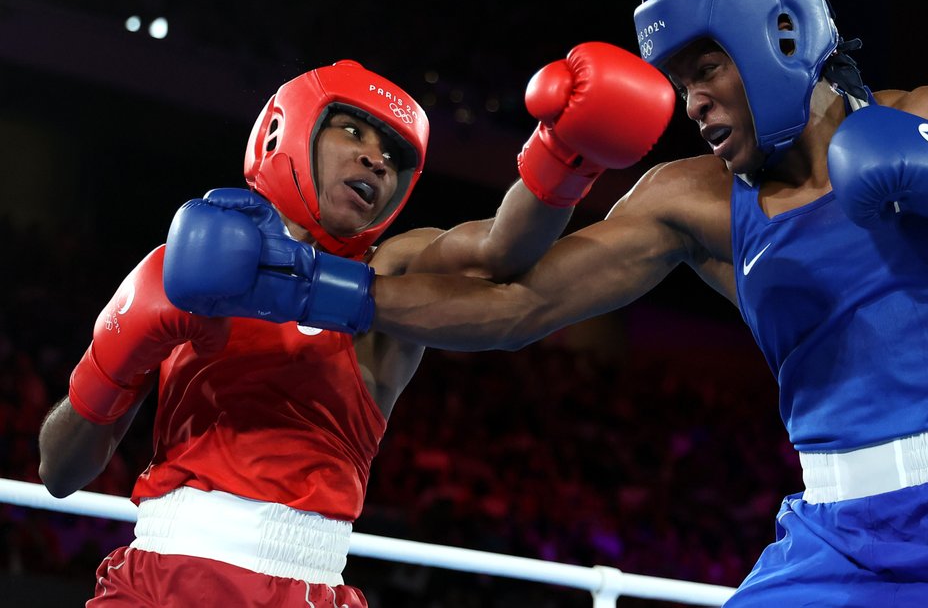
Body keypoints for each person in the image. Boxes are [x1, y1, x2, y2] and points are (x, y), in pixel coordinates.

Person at [167, 0, 928, 606]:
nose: (692, 101)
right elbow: (517, 301)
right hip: (835, 533)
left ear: (779, 39)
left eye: (706, 69)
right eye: (681, 80)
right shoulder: (692, 200)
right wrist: (311, 286)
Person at [37, 48, 675, 606]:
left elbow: (498, 251)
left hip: (304, 585)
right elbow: (60, 473)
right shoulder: (190, 274)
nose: (375, 160)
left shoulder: (392, 271)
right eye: (353, 132)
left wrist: (564, 153)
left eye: (394, 157)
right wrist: (111, 360)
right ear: (286, 133)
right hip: (154, 581)